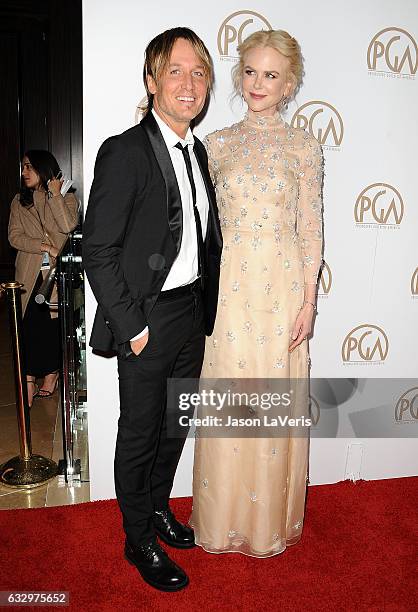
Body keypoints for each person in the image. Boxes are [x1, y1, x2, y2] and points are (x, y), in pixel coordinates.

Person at [82, 27, 221, 592]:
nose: (189, 84)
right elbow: (98, 249)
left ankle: (159, 508)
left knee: (175, 424)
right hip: (147, 319)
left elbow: (202, 237)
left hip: (192, 314)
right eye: (176, 71)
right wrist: (133, 326)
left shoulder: (198, 148)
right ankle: (137, 536)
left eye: (198, 73)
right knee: (140, 431)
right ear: (151, 81)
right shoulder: (124, 150)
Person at [191, 30, 324, 557]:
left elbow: (311, 227)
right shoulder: (216, 144)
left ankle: (269, 522)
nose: (258, 84)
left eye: (271, 75)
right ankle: (222, 519)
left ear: (289, 85)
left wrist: (309, 301)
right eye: (250, 72)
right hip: (230, 289)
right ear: (238, 74)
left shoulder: (303, 145)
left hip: (284, 285)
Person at [8, 150, 79, 407]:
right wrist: (43, 246)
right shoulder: (18, 200)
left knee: (51, 331)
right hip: (28, 274)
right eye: (22, 168)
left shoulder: (67, 198)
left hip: (55, 277)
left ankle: (51, 375)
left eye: (28, 167)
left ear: (43, 168)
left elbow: (67, 226)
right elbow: (14, 237)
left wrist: (53, 195)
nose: (24, 172)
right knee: (26, 330)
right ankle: (27, 380)